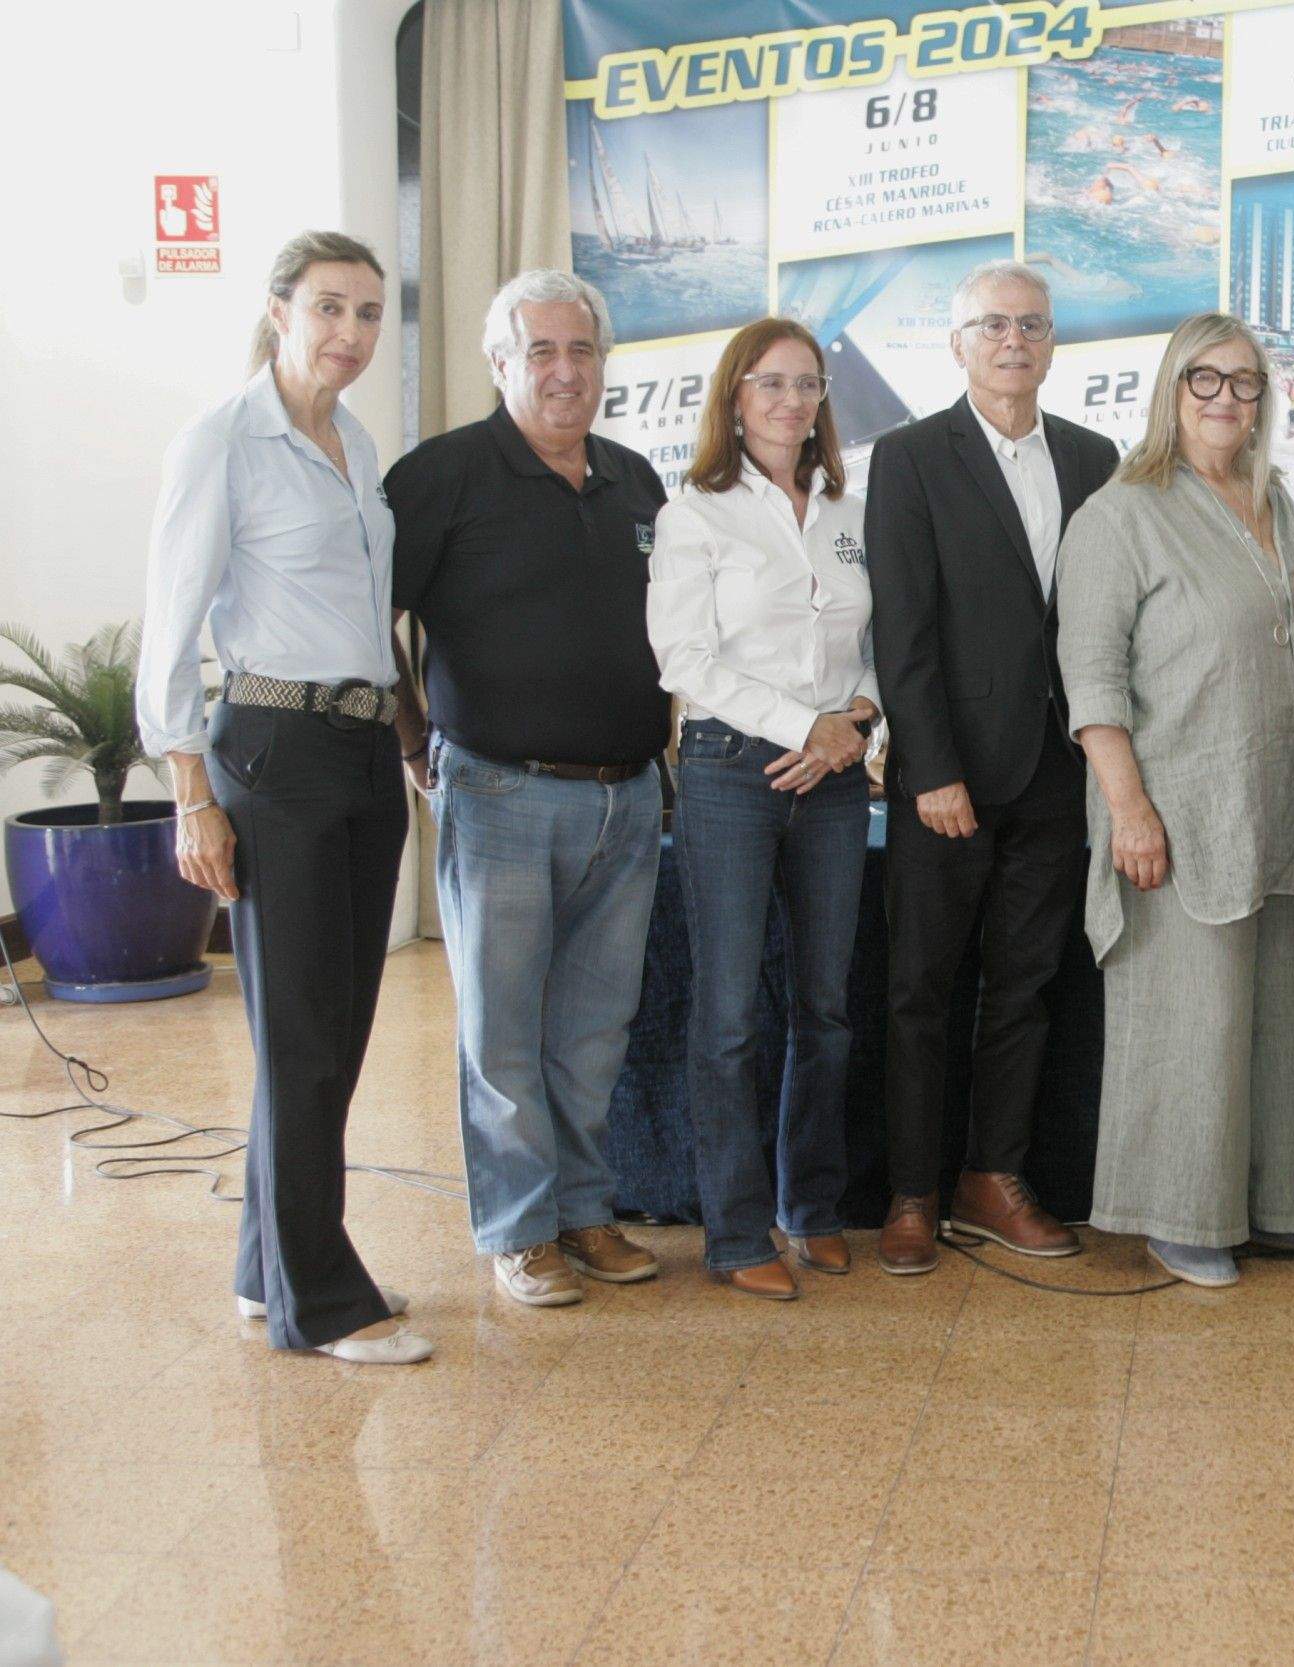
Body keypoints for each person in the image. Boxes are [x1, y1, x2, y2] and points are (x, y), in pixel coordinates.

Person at [137, 230, 429, 1364]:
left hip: (358, 753)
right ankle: (326, 1301)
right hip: (271, 750)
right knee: (303, 1038)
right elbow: (170, 623)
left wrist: (406, 735)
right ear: (278, 311)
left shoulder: (354, 441)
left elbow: (370, 620)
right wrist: (189, 794)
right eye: (329, 309)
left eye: (367, 313)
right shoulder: (223, 439)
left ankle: (270, 1263)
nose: (349, 333)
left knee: (334, 1033)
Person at [386, 270, 668, 1310]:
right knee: (501, 1029)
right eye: (540, 351)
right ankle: (519, 1229)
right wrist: (415, 746)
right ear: (500, 362)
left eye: (580, 351)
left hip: (628, 797)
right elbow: (371, 619)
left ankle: (586, 1210)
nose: (563, 371)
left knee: (595, 1026)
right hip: (499, 793)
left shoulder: (636, 479)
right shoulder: (442, 476)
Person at [1056, 313, 1294, 1288]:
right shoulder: (1119, 513)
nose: (1226, 398)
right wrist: (1129, 810)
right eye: (1204, 379)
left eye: (1246, 381)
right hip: (1175, 811)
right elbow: (1091, 683)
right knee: (1194, 1021)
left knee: (1285, 1021)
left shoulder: (1281, 503)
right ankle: (1180, 1215)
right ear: (1172, 391)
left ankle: (1280, 1203)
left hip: (1280, 805)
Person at [864, 259, 1119, 1275]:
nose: (1015, 341)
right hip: (948, 777)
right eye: (994, 326)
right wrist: (928, 765)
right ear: (958, 343)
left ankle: (993, 1174)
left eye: (1032, 325)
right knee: (921, 989)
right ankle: (913, 1192)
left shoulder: (1097, 457)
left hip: (1059, 775)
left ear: (1053, 343)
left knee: (1025, 985)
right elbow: (904, 627)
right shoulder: (912, 457)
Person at [647, 319, 881, 1301]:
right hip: (731, 770)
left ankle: (812, 1207)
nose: (792, 400)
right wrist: (807, 724)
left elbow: (880, 640)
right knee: (731, 1012)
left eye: (808, 383)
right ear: (734, 396)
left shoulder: (847, 504)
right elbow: (683, 661)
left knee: (824, 1009)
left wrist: (857, 719)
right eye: (771, 382)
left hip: (832, 780)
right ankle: (736, 1228)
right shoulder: (694, 509)